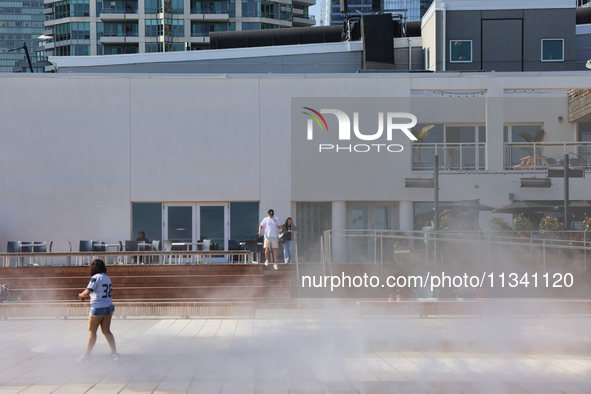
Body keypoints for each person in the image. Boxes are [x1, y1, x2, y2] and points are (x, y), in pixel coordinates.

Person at [76, 259, 119, 362]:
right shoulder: (107, 278)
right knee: (106, 331)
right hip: (108, 306)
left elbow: (87, 292)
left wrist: (80, 295)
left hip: (98, 307)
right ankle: (114, 353)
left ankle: (87, 355)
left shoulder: (95, 278)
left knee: (92, 332)